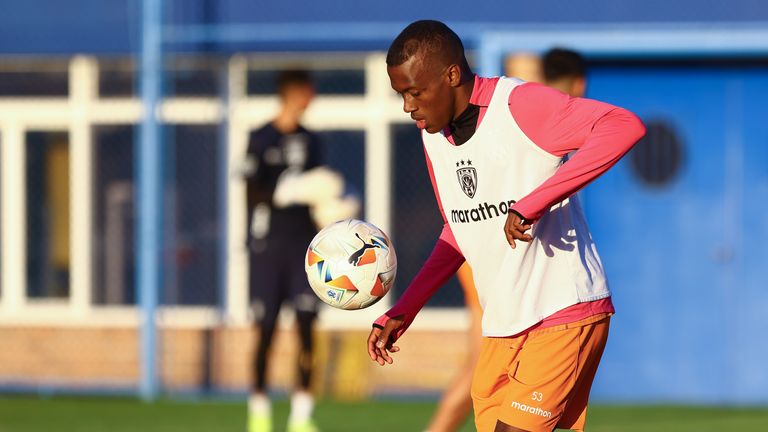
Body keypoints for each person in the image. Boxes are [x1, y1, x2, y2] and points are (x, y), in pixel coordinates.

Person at [368, 20, 645, 432]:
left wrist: (534, 202)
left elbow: (623, 126)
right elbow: (457, 231)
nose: (408, 105)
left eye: (415, 91)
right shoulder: (432, 135)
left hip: (562, 310)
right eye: (401, 94)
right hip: (502, 327)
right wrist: (404, 310)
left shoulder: (520, 105)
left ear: (452, 75)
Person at [242, 69, 322, 432]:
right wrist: (282, 193)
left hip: (305, 250)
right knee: (267, 330)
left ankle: (301, 418)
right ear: (292, 93)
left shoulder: (311, 140)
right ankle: (259, 412)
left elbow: (321, 189)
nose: (313, 95)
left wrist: (336, 203)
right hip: (268, 249)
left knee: (307, 328)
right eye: (308, 89)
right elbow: (249, 189)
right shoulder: (260, 138)